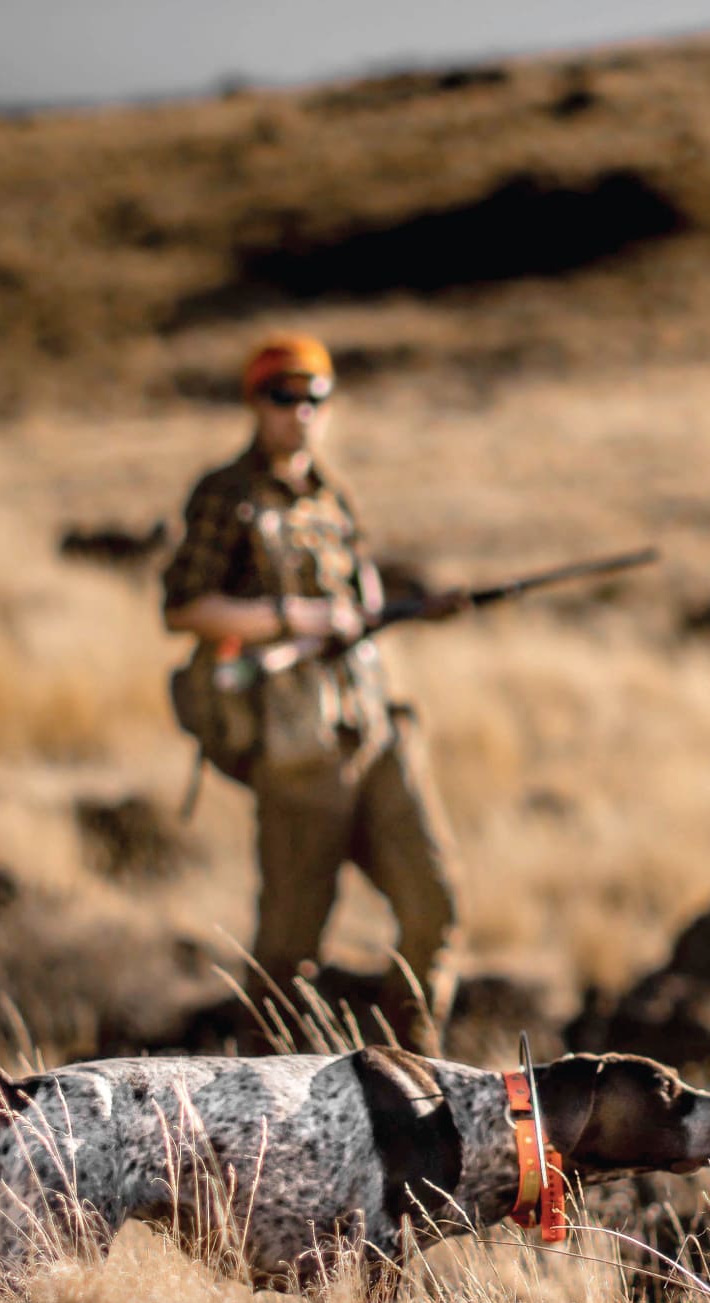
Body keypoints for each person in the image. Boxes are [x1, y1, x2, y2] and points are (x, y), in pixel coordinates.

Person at [161, 333, 463, 1052]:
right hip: (296, 752)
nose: (299, 413)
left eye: (313, 398)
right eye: (283, 396)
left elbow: (361, 603)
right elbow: (183, 606)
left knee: (436, 908)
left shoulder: (331, 494)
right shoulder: (226, 496)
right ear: (255, 402)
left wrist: (412, 606)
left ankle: (415, 1076)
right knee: (289, 947)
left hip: (374, 728)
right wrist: (290, 619)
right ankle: (261, 1099)